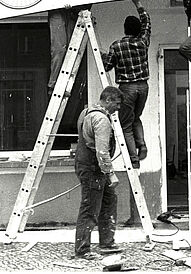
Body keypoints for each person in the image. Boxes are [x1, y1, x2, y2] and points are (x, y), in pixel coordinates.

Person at [101, 0, 151, 226]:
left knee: (125, 124)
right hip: (143, 86)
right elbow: (148, 22)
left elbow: (109, 66)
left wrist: (102, 55)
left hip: (127, 88)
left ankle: (134, 157)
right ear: (137, 29)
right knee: (136, 118)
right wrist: (138, 3)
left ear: (124, 28)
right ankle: (142, 146)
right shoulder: (143, 41)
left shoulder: (117, 45)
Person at [73, 86, 124, 260]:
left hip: (87, 165)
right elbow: (102, 151)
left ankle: (107, 243)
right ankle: (82, 250)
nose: (118, 108)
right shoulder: (101, 120)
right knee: (90, 207)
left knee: (109, 200)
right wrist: (111, 174)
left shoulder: (87, 111)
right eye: (116, 104)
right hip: (93, 169)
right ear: (108, 100)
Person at [47, 3, 92, 96]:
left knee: (72, 49)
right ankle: (54, 85)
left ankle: (63, 84)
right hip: (57, 9)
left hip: (72, 12)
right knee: (59, 49)